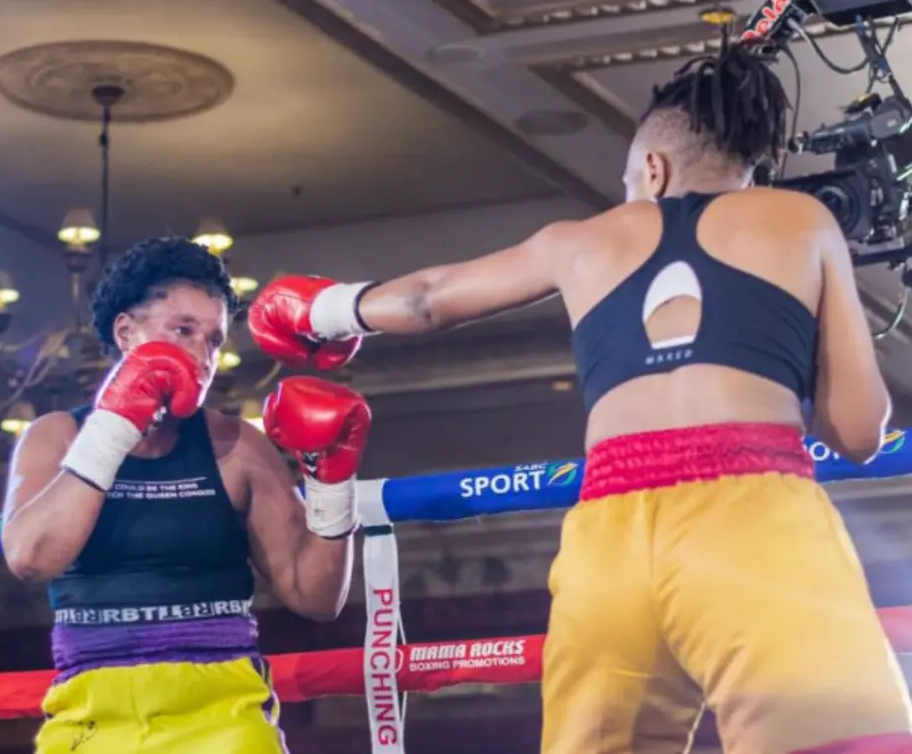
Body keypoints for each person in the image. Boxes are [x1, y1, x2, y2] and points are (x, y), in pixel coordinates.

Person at [247, 40, 912, 754]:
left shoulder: (582, 239)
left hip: (609, 539)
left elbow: (429, 298)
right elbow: (857, 428)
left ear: (651, 169)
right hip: (751, 517)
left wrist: (322, 313)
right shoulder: (799, 220)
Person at [0, 236, 371, 754]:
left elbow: (316, 597)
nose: (202, 355)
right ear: (126, 332)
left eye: (214, 340)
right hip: (91, 716)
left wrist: (331, 480)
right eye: (183, 330)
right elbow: (29, 558)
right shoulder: (57, 437)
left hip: (223, 716)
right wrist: (116, 425)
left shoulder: (238, 446)